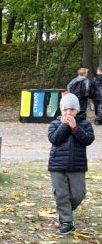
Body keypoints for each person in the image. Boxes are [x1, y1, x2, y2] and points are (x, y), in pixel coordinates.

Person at [48, 93, 95, 235]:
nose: (68, 112)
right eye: (65, 109)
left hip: (77, 165)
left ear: (78, 110)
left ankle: (65, 211)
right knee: (61, 194)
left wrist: (75, 127)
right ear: (61, 110)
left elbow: (87, 140)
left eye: (72, 109)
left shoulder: (85, 124)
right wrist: (64, 125)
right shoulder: (55, 123)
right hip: (57, 165)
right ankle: (66, 222)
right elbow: (54, 139)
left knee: (78, 194)